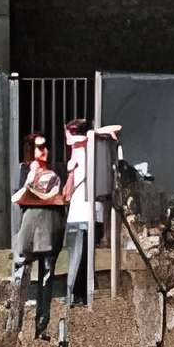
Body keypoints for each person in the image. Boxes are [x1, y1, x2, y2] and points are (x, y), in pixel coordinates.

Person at [59, 115, 121, 312]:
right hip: (91, 214)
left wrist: (94, 134)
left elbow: (68, 190)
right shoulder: (87, 150)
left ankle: (74, 296)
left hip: (82, 214)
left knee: (79, 258)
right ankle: (80, 295)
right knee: (83, 258)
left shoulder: (84, 150)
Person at [7, 133, 66, 338]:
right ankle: (13, 325)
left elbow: (57, 197)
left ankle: (42, 326)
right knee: (20, 273)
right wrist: (31, 179)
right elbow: (17, 197)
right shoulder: (24, 170)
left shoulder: (54, 174)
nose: (45, 151)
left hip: (49, 227)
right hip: (28, 227)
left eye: (45, 147)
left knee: (47, 275)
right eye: (40, 148)